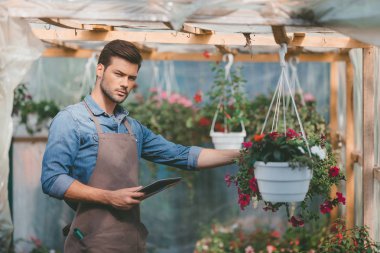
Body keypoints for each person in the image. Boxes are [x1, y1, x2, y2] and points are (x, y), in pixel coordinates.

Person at [41, 40, 240, 253]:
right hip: (90, 242)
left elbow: (182, 155)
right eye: (119, 74)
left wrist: (241, 155)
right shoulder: (71, 120)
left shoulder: (132, 128)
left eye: (131, 78)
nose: (125, 83)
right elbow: (52, 179)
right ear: (100, 70)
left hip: (130, 242)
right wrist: (110, 197)